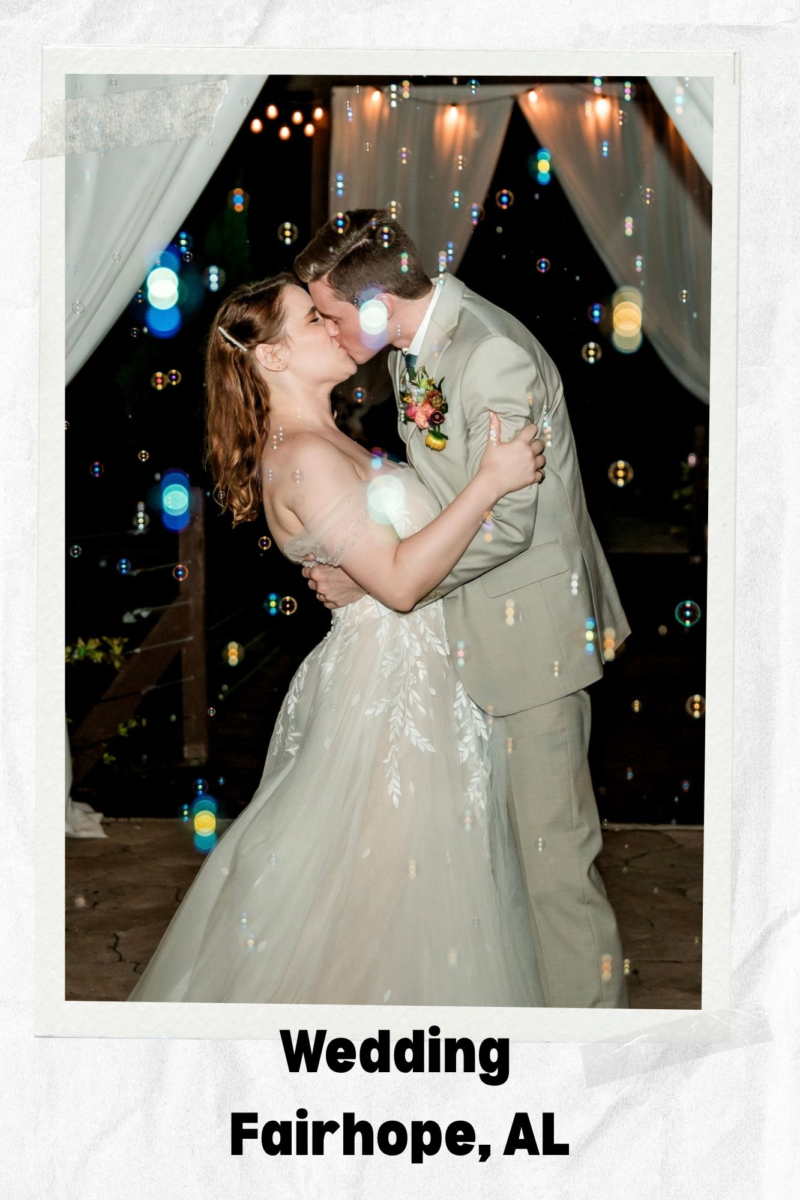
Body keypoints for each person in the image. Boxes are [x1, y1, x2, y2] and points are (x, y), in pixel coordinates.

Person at [127, 272, 548, 1006]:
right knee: (383, 903)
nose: (333, 324)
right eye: (311, 319)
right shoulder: (303, 457)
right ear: (271, 357)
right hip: (390, 694)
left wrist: (365, 574)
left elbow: (388, 562)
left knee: (396, 894)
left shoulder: (331, 440)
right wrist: (490, 481)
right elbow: (401, 582)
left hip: (421, 673)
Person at [294, 210, 632, 1009]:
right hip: (476, 636)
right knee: (503, 863)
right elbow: (441, 488)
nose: (330, 332)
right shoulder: (414, 349)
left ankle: (591, 1047)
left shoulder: (491, 356)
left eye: (332, 315)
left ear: (376, 303)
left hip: (532, 646)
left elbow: (507, 521)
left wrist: (388, 585)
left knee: (554, 872)